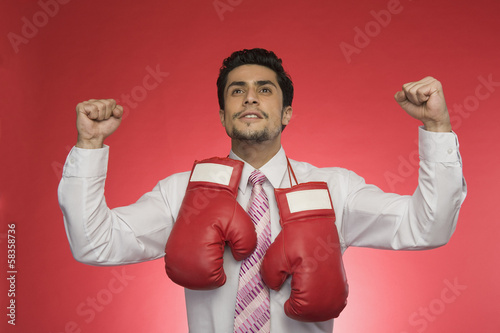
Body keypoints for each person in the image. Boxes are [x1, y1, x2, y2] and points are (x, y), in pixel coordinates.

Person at [58, 48, 467, 333]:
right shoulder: (183, 192)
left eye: (264, 89)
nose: (249, 96)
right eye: (236, 90)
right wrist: (89, 147)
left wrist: (437, 129)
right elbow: (94, 243)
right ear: (222, 114)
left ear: (286, 112)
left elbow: (428, 227)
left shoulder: (333, 189)